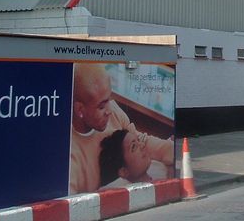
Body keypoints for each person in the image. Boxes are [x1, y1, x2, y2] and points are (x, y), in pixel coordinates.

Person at [69, 64, 174, 194]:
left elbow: (141, 141)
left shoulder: (113, 111)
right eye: (101, 106)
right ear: (80, 109)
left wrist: (172, 156)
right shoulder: (70, 156)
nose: (109, 110)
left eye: (109, 99)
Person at [98, 128, 169, 188]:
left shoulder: (157, 165)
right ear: (124, 171)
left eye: (138, 140)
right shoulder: (120, 193)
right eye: (134, 146)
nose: (142, 145)